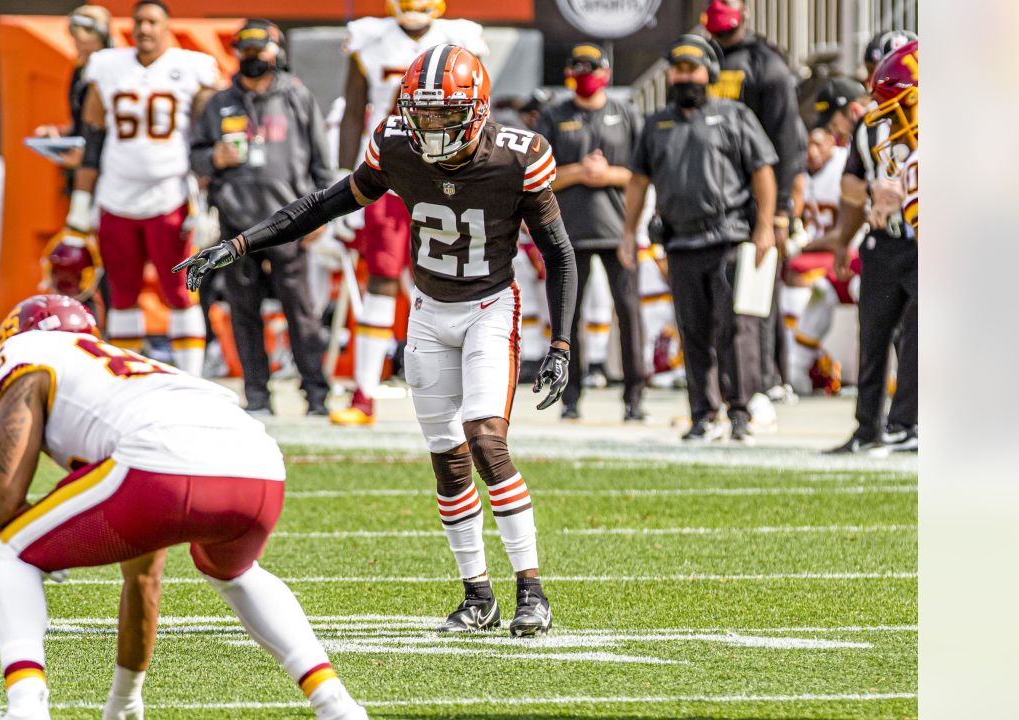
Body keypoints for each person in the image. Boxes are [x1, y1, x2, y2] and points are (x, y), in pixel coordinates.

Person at [176, 46, 575, 636]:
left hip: (490, 307)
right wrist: (238, 245)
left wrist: (561, 345)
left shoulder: (520, 157)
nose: (432, 128)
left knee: (486, 440)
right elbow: (322, 205)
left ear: (478, 110)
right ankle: (477, 596)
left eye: (446, 114)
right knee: (448, 461)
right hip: (428, 311)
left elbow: (559, 252)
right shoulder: (394, 143)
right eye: (425, 113)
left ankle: (532, 592)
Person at [0, 294, 368, 720]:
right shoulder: (120, 372)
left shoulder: (29, 355)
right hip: (257, 460)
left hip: (158, 458)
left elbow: (3, 506)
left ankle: (25, 708)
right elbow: (143, 577)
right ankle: (336, 704)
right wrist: (124, 703)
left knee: (10, 551)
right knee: (237, 573)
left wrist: (44, 547)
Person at [331, 0, 488, 426]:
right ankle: (365, 393)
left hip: (445, 177)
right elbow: (352, 112)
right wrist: (346, 179)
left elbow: (481, 113)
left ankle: (463, 393)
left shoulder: (461, 39)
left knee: (455, 279)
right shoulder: (371, 39)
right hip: (389, 172)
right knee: (380, 278)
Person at [619, 35, 779, 443]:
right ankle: (702, 414)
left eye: (691, 68)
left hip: (729, 237)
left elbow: (763, 172)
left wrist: (764, 228)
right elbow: (638, 182)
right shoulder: (656, 124)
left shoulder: (734, 115)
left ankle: (740, 413)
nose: (684, 76)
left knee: (735, 329)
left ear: (708, 71)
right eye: (678, 69)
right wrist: (628, 234)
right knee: (693, 333)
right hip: (680, 243)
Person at [190, 20, 332, 416]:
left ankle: (316, 397)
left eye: (260, 51)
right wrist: (212, 159)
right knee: (243, 312)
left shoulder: (296, 96)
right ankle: (257, 397)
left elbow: (321, 160)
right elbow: (195, 154)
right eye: (246, 51)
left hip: (291, 222)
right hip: (237, 227)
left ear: (276, 52)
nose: (253, 59)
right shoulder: (219, 102)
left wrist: (322, 215)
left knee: (301, 313)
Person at [66, 0, 216, 374]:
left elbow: (207, 136)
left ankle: (192, 378)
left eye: (153, 21)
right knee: (122, 293)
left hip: (171, 196)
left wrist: (206, 201)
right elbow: (93, 138)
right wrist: (80, 207)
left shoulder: (191, 68)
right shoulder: (108, 68)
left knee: (182, 290)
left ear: (167, 27)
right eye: (139, 22)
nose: (145, 29)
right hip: (116, 195)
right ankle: (124, 377)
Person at [700, 0, 807, 401]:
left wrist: (778, 211)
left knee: (759, 292)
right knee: (730, 299)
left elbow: (786, 142)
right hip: (716, 193)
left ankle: (767, 378)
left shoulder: (767, 65)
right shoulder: (701, 59)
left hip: (757, 194)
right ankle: (741, 381)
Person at [535, 43, 647, 422]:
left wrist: (608, 174)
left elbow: (642, 174)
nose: (582, 71)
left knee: (629, 313)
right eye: (576, 64)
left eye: (589, 65)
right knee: (568, 319)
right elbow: (538, 174)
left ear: (604, 72)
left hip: (618, 231)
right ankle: (569, 398)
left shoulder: (625, 113)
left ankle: (635, 398)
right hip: (568, 232)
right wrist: (579, 172)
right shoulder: (554, 115)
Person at [825, 41, 918, 454]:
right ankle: (868, 428)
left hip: (925, 246)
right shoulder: (872, 124)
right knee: (874, 335)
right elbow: (849, 184)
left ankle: (906, 423)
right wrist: (871, 192)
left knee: (919, 336)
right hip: (884, 242)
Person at [780, 127, 858, 395]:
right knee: (809, 287)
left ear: (831, 145)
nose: (811, 152)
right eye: (807, 146)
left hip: (850, 254)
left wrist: (805, 245)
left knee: (803, 277)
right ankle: (797, 366)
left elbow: (848, 226)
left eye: (818, 145)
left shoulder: (844, 166)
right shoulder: (801, 174)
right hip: (820, 256)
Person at [34, 5, 113, 170]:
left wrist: (88, 153)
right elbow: (81, 119)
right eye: (77, 43)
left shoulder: (114, 74)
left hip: (105, 165)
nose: (80, 49)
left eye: (88, 47)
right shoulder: (79, 72)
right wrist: (59, 134)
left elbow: (105, 125)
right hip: (82, 163)